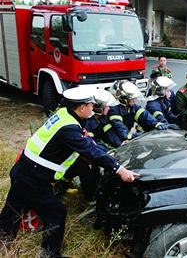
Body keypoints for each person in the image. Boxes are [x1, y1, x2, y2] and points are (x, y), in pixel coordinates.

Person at [0, 87, 137, 258]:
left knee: (13, 207)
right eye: (91, 106)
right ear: (81, 108)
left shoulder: (65, 114)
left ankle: (4, 240)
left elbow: (88, 142)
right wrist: (120, 169)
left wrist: (110, 154)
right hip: (34, 177)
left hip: (24, 169)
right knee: (56, 212)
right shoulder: (69, 129)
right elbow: (90, 151)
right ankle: (50, 254)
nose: (93, 108)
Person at [107, 80, 167, 147]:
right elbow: (119, 127)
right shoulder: (114, 110)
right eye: (132, 98)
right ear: (123, 98)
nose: (134, 100)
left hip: (129, 138)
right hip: (118, 143)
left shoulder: (132, 106)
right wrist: (130, 135)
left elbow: (144, 115)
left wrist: (156, 124)